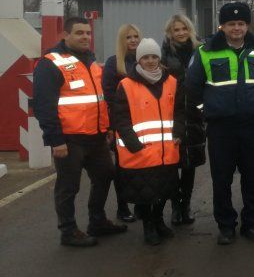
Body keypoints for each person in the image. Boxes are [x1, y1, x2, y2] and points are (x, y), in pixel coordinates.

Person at [32, 17, 127, 247]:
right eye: (79, 33)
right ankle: (68, 231)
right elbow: (44, 105)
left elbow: (99, 100)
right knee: (69, 186)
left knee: (105, 175)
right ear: (65, 35)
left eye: (87, 33)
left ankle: (97, 221)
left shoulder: (92, 63)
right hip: (69, 139)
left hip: (95, 137)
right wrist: (55, 140)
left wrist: (106, 129)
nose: (85, 37)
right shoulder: (51, 63)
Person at [186, 2, 254, 244]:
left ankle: (252, 224)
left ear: (247, 25)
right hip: (221, 127)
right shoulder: (205, 52)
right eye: (231, 24)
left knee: (252, 176)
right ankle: (226, 226)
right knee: (222, 178)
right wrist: (207, 111)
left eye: (241, 24)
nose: (237, 28)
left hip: (252, 125)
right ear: (222, 26)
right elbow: (192, 89)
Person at [110, 39, 183, 246]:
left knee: (163, 191)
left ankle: (159, 221)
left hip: (167, 150)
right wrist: (134, 144)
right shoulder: (126, 85)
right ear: (138, 60)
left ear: (159, 59)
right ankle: (148, 226)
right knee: (146, 195)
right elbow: (120, 118)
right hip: (141, 152)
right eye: (145, 57)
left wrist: (179, 132)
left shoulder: (171, 82)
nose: (150, 61)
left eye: (154, 57)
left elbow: (179, 111)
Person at [161, 14, 205, 226]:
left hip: (195, 114)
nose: (180, 33)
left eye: (183, 29)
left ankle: (185, 205)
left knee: (189, 165)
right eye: (176, 30)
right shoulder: (163, 54)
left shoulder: (200, 51)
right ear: (170, 32)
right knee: (171, 164)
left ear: (190, 30)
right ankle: (175, 207)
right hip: (172, 114)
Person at [101, 23, 141, 223]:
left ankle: (142, 204)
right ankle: (122, 206)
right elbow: (108, 96)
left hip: (143, 123)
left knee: (143, 165)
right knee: (123, 167)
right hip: (122, 124)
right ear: (121, 41)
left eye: (135, 36)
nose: (133, 40)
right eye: (128, 37)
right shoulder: (113, 63)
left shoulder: (145, 60)